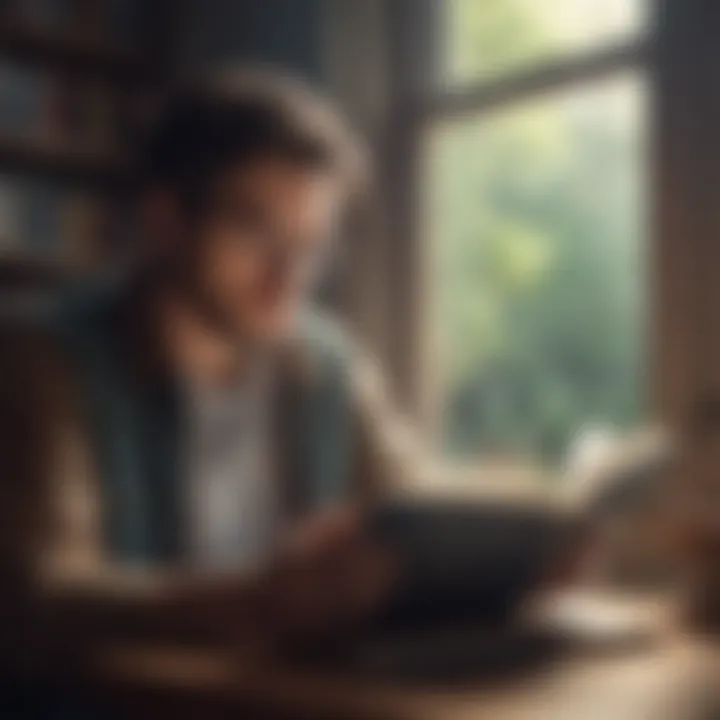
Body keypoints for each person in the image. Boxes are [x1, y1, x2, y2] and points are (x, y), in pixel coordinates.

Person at [0, 69, 415, 680]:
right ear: (167, 218)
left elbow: (414, 512)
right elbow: (38, 599)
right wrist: (258, 602)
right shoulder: (41, 358)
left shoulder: (331, 367)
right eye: (254, 230)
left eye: (312, 246)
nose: (289, 277)